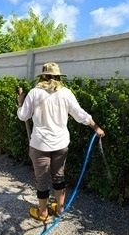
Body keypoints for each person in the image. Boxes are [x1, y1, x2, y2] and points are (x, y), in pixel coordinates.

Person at [17, 62, 105, 222]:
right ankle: (59, 208)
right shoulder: (66, 93)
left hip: (40, 144)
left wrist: (21, 102)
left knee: (42, 179)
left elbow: (23, 116)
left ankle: (43, 212)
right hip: (60, 143)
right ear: (58, 77)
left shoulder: (34, 93)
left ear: (43, 76)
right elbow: (80, 115)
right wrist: (96, 127)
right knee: (58, 176)